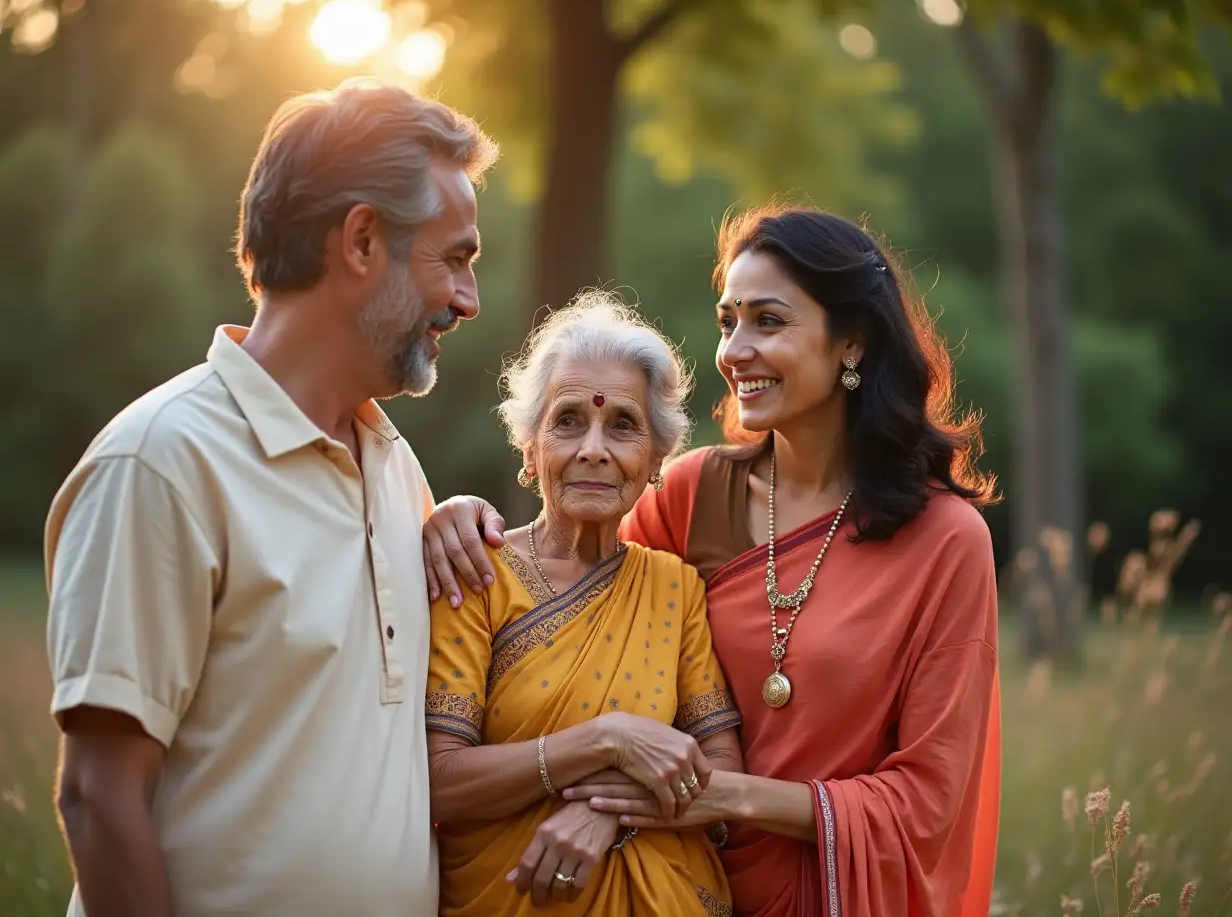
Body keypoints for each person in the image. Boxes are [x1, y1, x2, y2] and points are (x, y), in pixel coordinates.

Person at [423, 205, 1003, 917]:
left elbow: (927, 800)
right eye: (728, 320)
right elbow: (571, 578)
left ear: (850, 342)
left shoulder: (944, 541)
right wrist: (454, 518)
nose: (732, 350)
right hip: (683, 883)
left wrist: (645, 805)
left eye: (768, 320)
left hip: (830, 888)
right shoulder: (697, 493)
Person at [43, 79, 498, 917]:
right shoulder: (161, 463)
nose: (469, 299)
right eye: (457, 257)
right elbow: (97, 798)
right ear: (362, 240)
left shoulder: (397, 470)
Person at [426, 291, 744, 916]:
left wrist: (611, 816)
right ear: (530, 448)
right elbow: (439, 783)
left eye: (622, 425)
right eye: (568, 420)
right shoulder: (474, 574)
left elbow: (722, 770)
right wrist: (605, 740)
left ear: (656, 458)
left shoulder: (674, 588)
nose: (594, 447)